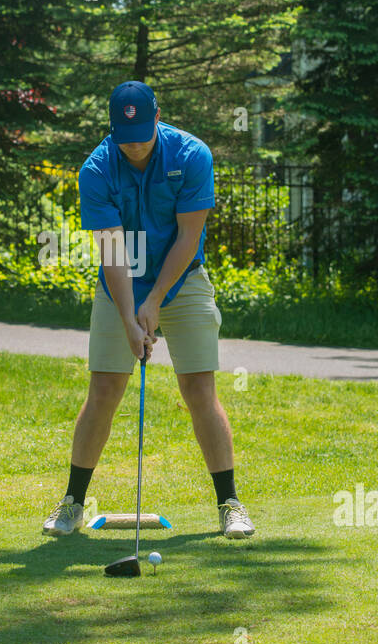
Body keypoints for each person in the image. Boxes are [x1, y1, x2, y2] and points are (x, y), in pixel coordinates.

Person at [43, 81, 255, 539]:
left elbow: (188, 237)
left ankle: (230, 504)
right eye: (125, 137)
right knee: (104, 390)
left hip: (184, 279)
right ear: (112, 129)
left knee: (199, 388)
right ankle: (72, 504)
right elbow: (112, 251)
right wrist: (128, 317)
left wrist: (155, 301)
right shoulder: (96, 169)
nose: (134, 146)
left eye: (141, 134)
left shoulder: (192, 155)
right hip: (119, 284)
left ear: (158, 117)